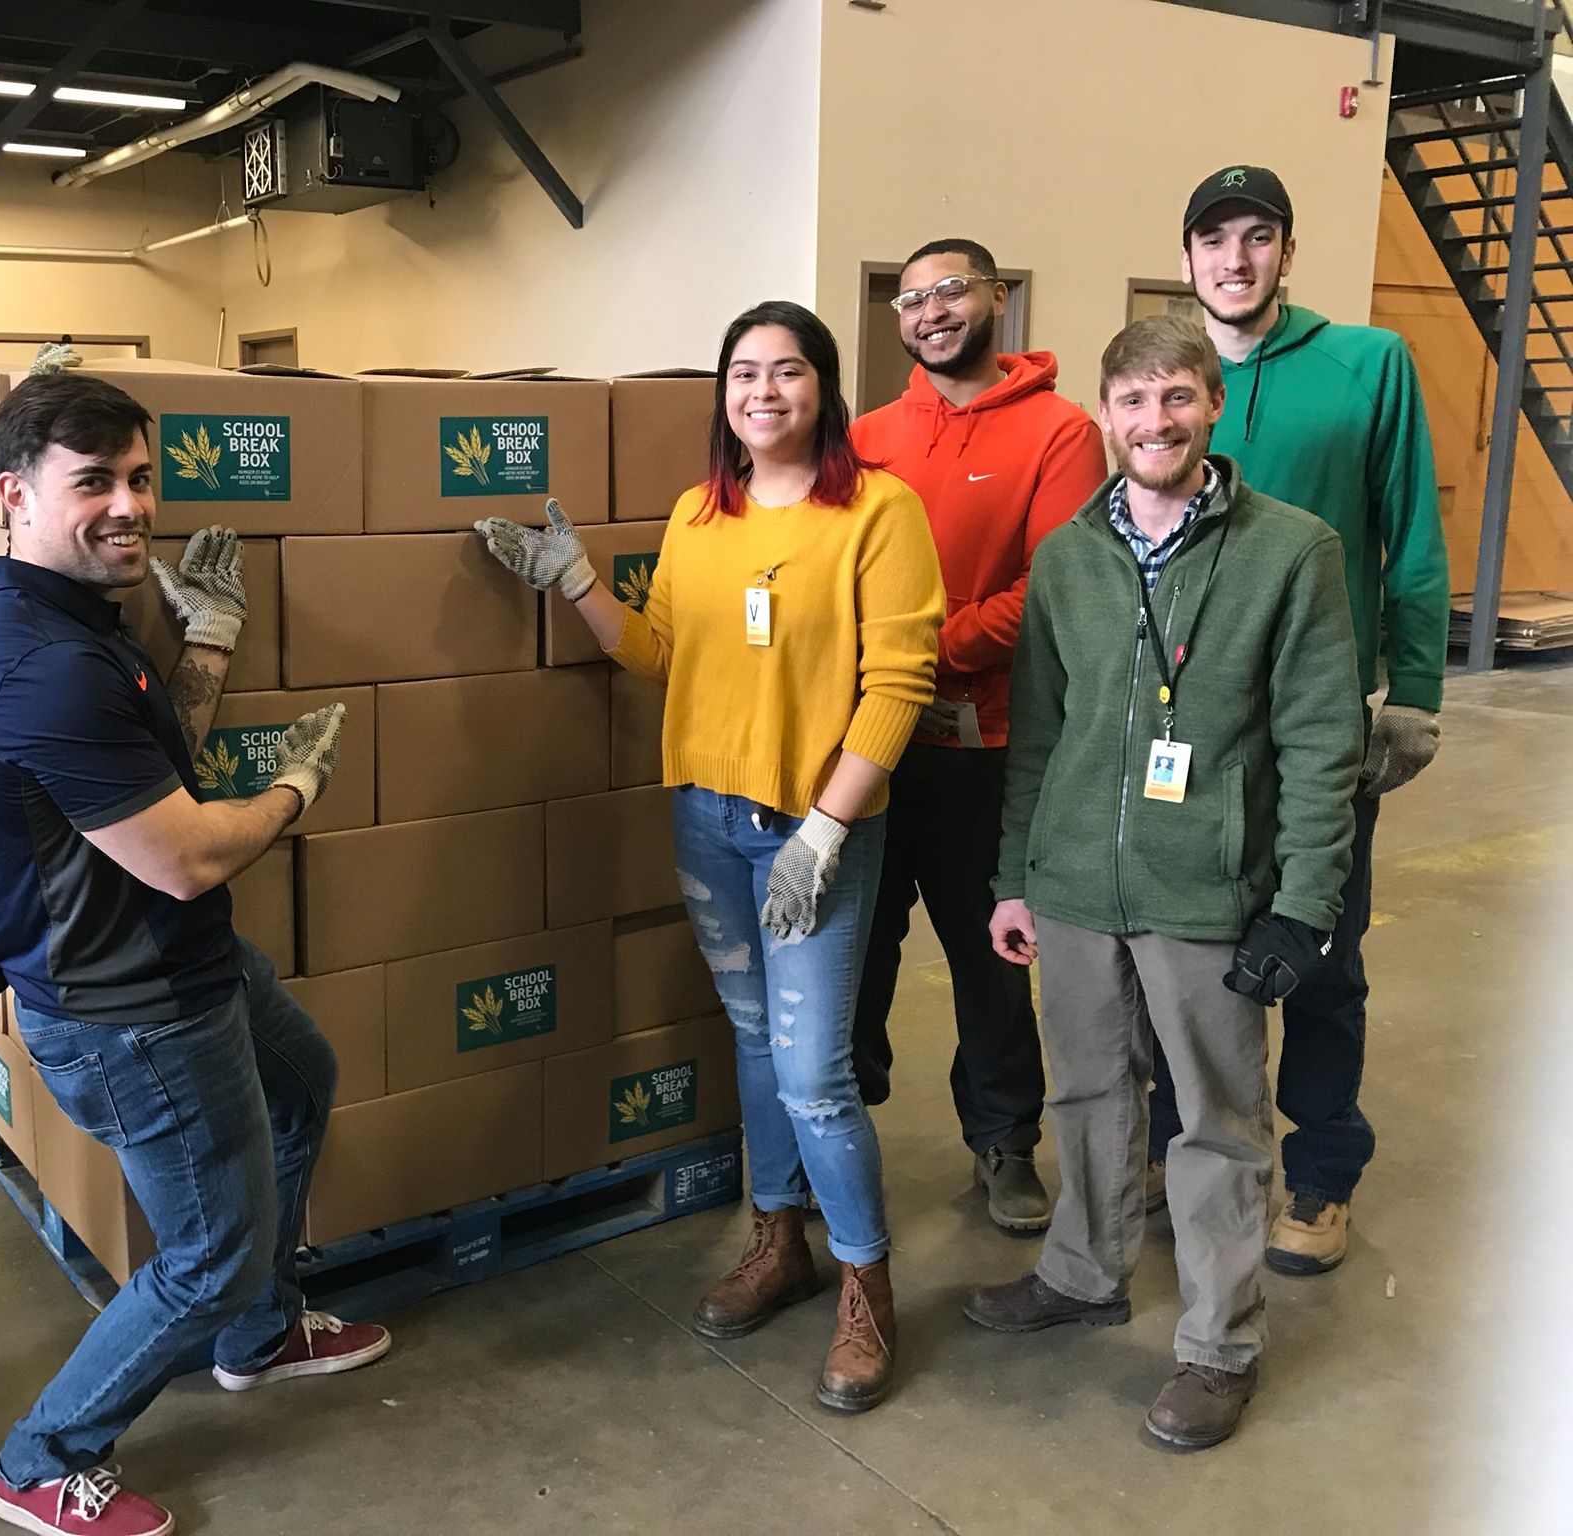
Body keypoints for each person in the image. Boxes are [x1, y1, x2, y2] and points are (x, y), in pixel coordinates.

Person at [476, 300, 944, 1413]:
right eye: (743, 374)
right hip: (706, 819)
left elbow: (899, 685)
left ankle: (866, 1289)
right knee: (750, 1042)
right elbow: (664, 653)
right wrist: (577, 580)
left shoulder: (876, 512)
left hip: (813, 828)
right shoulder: (699, 512)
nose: (763, 393)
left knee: (816, 1073)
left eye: (787, 372)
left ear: (823, 389)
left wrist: (826, 827)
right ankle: (775, 1241)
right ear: (722, 396)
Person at [0, 368, 389, 1536]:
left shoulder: (71, 625)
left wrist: (210, 642)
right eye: (92, 483)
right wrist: (299, 785)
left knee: (303, 1084)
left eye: (140, 479)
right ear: (15, 494)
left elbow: (147, 773)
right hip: (131, 1010)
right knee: (209, 1252)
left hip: (179, 965)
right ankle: (44, 1457)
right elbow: (184, 853)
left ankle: (257, 1333)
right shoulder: (41, 666)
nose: (130, 506)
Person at [966, 316, 1362, 1450]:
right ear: (1105, 414)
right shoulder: (1067, 557)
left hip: (1207, 888)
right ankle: (1083, 1272)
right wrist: (1014, 879)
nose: (1154, 421)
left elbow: (1321, 740)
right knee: (1087, 1097)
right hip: (1076, 886)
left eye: (1176, 397)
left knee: (1215, 1124)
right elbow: (1036, 733)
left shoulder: (1292, 551)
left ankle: (1217, 1344)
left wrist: (1302, 900)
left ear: (1210, 408)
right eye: (1132, 401)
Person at [1145, 166, 1451, 1277]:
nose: (1233, 259)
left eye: (1255, 237)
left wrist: (1411, 690)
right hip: (1188, 724)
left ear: (1284, 251)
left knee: (1320, 949)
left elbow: (1408, 532)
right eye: (1211, 240)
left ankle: (1320, 1172)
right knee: (1175, 946)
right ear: (1184, 259)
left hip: (1320, 722)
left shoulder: (1365, 364)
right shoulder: (1166, 381)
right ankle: (1164, 1141)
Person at [849, 238, 1108, 1231]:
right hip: (868, 750)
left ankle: (1003, 1143)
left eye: (950, 290)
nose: (930, 311)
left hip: (988, 750)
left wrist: (920, 653)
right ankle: (840, 1127)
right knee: (856, 954)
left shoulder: (1059, 431)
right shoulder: (868, 435)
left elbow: (1050, 589)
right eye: (911, 299)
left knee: (987, 958)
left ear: (995, 298)